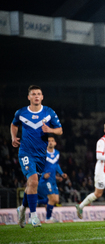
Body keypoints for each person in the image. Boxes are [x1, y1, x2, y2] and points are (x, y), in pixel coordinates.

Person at [11, 85, 63, 228]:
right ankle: (33, 216)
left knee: (31, 185)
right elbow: (14, 124)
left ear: (42, 96)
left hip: (41, 155)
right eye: (33, 94)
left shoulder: (49, 112)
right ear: (29, 97)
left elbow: (60, 130)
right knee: (33, 182)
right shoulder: (21, 112)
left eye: (38, 94)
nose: (36, 96)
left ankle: (22, 209)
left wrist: (50, 130)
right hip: (26, 152)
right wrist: (13, 137)